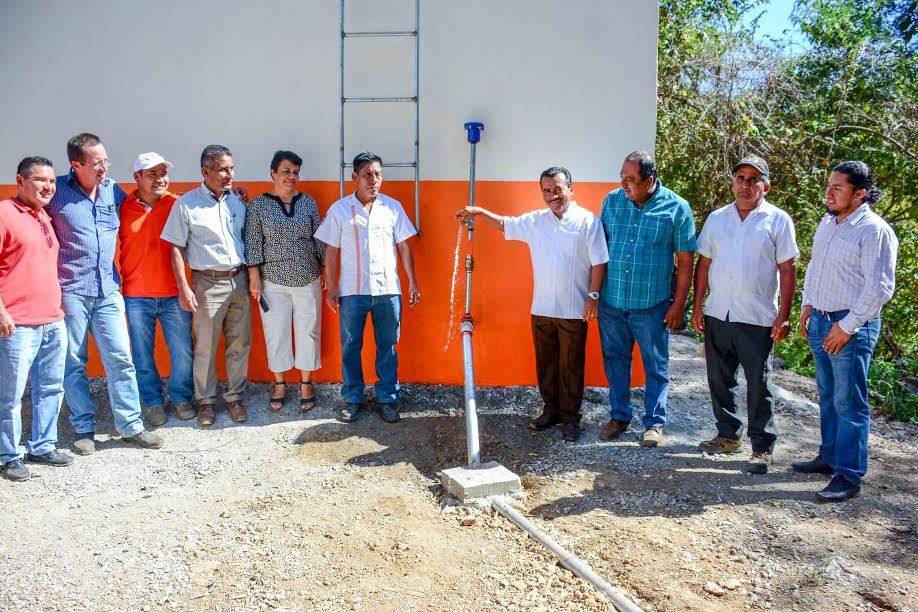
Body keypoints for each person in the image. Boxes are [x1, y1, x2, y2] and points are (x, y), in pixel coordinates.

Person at [456, 167, 608, 442]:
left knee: (570, 367)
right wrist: (479, 213)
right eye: (547, 191)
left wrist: (593, 296)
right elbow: (505, 223)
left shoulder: (588, 221)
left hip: (574, 310)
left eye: (558, 189)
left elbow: (599, 261)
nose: (552, 195)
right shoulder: (537, 221)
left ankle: (571, 419)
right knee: (546, 365)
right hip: (541, 309)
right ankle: (550, 411)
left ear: (571, 189)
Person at [46, 133, 163, 454]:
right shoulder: (55, 192)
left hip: (108, 291)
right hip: (70, 291)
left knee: (121, 358)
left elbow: (146, 201)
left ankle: (131, 425)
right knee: (73, 361)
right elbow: (27, 212)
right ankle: (84, 427)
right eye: (98, 163)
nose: (104, 167)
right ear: (76, 164)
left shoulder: (113, 189)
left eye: (106, 161)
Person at [793, 161, 898, 502]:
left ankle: (849, 476)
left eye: (838, 188)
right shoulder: (828, 222)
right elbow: (815, 267)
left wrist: (846, 326)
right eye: (829, 185)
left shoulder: (873, 230)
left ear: (860, 194)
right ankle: (830, 457)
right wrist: (808, 303)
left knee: (849, 402)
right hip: (822, 319)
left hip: (851, 326)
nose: (829, 192)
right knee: (827, 395)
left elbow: (879, 288)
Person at [692, 155, 798, 474]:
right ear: (733, 182)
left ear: (766, 186)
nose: (746, 184)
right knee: (720, 380)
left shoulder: (778, 221)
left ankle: (761, 448)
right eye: (741, 177)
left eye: (754, 179)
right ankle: (727, 436)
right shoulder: (717, 219)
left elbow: (787, 269)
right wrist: (697, 305)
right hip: (718, 313)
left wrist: (784, 315)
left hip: (757, 317)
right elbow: (704, 264)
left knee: (758, 384)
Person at [597, 151, 696, 448]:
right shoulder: (612, 201)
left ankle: (654, 423)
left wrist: (678, 305)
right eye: (622, 177)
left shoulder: (677, 208)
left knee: (655, 365)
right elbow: (599, 250)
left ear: (649, 180)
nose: (623, 184)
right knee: (615, 361)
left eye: (630, 179)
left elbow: (685, 262)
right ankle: (619, 416)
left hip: (651, 306)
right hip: (612, 301)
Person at [314, 152, 420, 424]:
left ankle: (388, 398)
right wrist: (332, 286)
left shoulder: (392, 208)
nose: (374, 180)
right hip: (352, 290)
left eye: (378, 174)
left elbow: (404, 247)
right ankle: (352, 398)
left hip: (387, 290)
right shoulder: (340, 210)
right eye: (367, 175)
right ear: (354, 178)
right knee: (351, 345)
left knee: (388, 345)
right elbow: (331, 251)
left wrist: (411, 282)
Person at [161, 145, 251, 427]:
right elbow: (175, 247)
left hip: (239, 278)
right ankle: (207, 402)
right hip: (206, 282)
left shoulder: (237, 201)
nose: (229, 174)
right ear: (205, 171)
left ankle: (235, 397)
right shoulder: (186, 204)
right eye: (223, 169)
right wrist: (184, 287)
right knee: (206, 347)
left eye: (231, 168)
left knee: (240, 343)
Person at [0, 157, 74, 480]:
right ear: (20, 180)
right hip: (16, 323)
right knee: (10, 396)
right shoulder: (4, 213)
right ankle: (8, 454)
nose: (48, 187)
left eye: (52, 182)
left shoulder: (44, 215)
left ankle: (43, 444)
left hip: (52, 321)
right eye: (41, 180)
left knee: (51, 388)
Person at [245, 151, 325, 412]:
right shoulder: (258, 205)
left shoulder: (308, 202)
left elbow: (318, 238)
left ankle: (305, 383)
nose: (291, 176)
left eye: (295, 172)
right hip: (272, 282)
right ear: (273, 173)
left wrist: (325, 270)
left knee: (308, 331)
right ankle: (280, 382)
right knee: (276, 332)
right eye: (286, 171)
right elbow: (254, 242)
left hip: (307, 277)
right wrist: (254, 278)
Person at [120, 153, 195, 426]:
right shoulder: (122, 205)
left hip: (174, 294)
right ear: (137, 178)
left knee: (183, 351)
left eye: (163, 173)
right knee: (141, 352)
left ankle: (180, 397)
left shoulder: (178, 204)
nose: (160, 179)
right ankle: (152, 401)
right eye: (152, 174)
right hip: (136, 295)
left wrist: (237, 193)